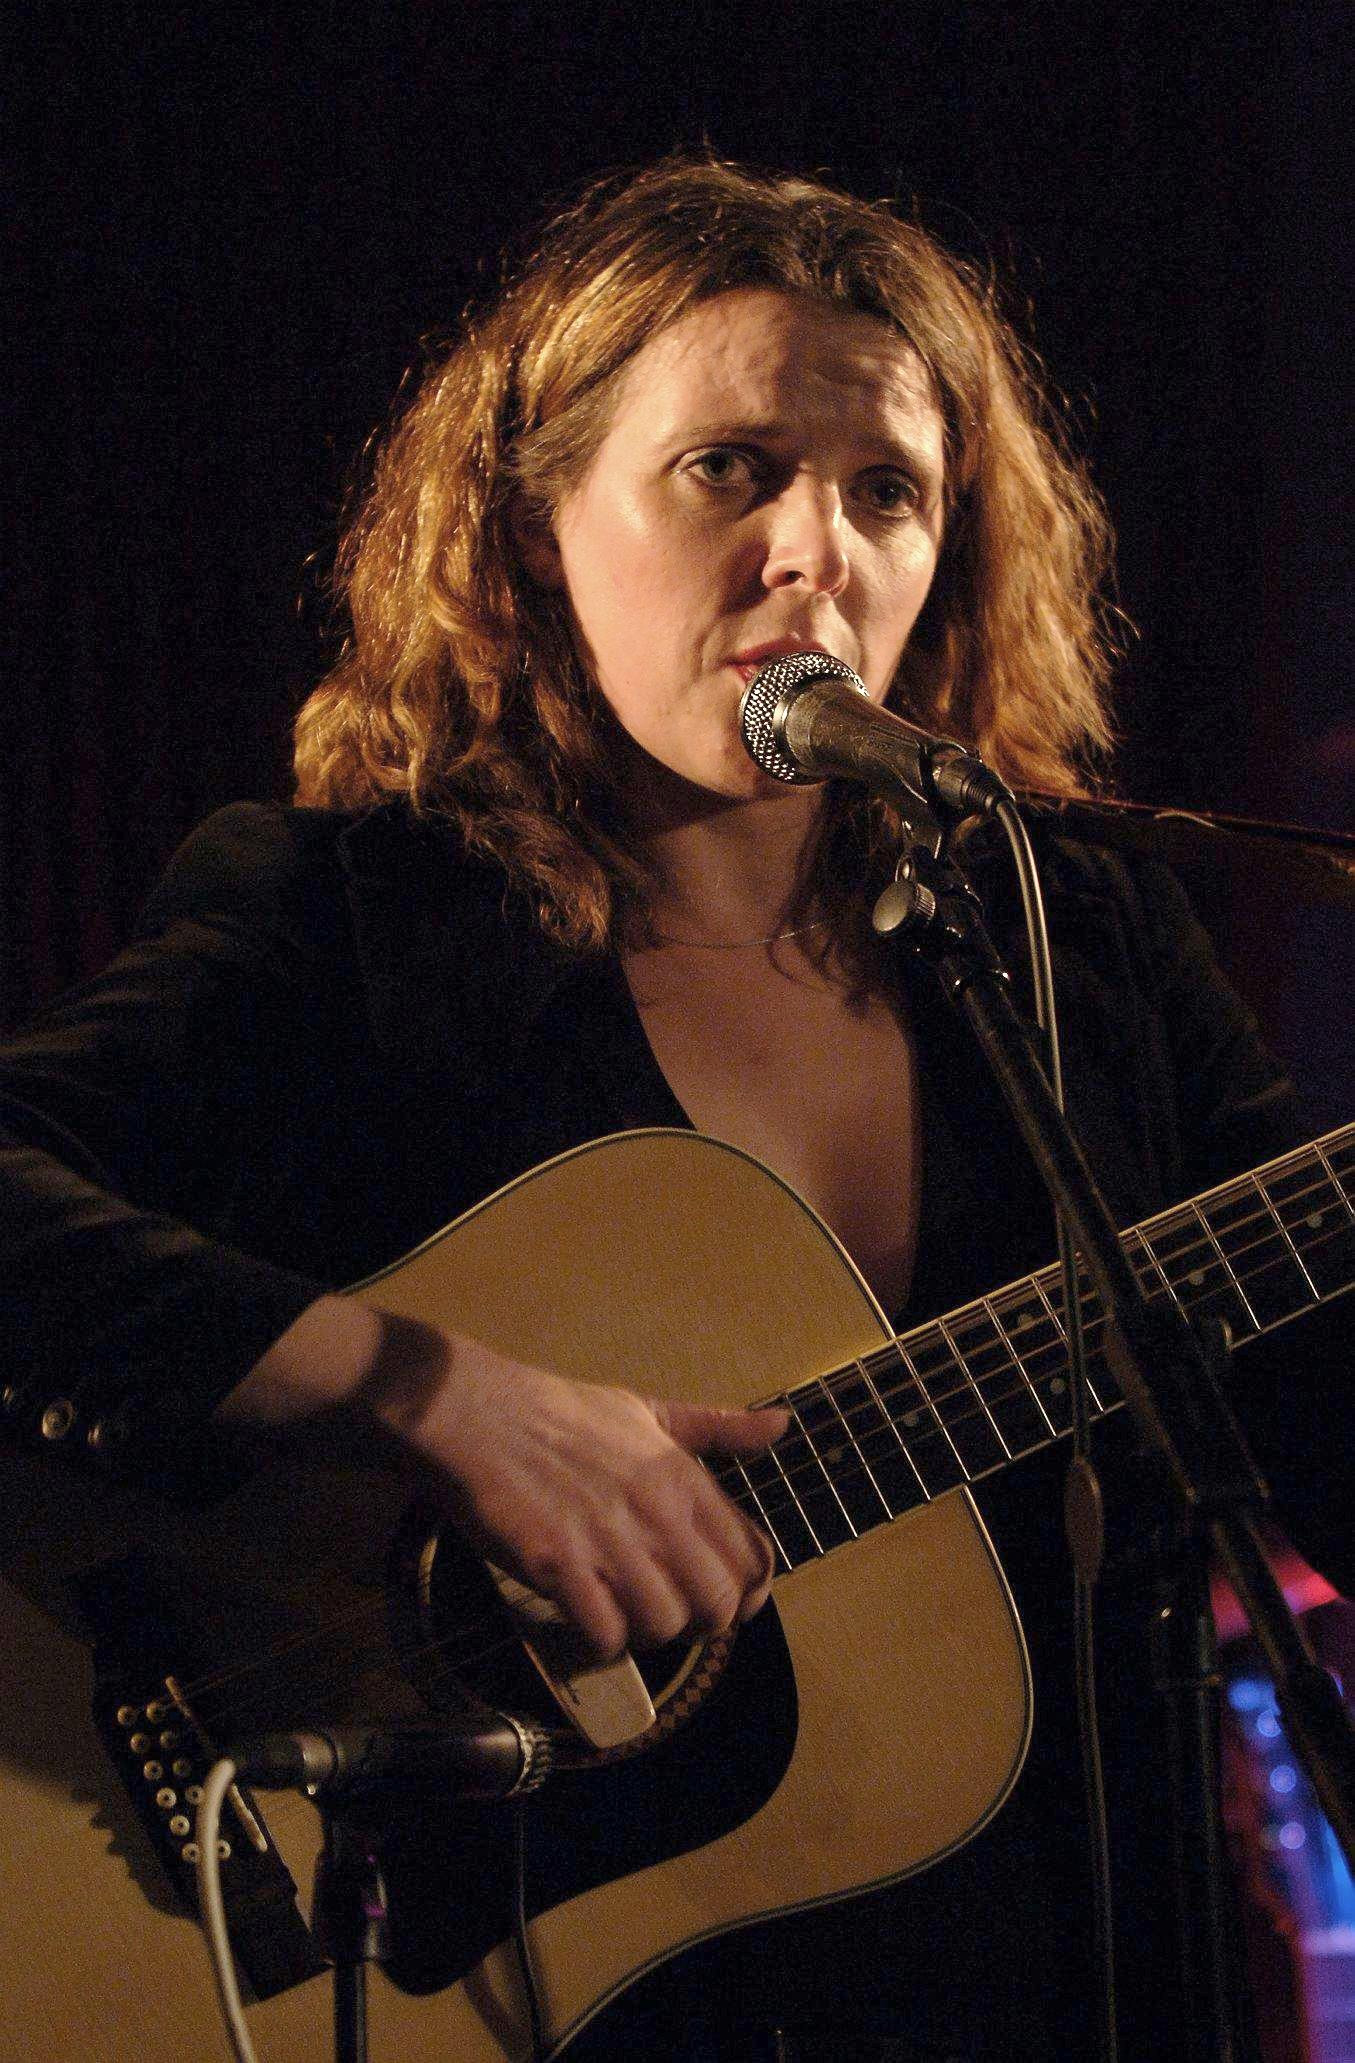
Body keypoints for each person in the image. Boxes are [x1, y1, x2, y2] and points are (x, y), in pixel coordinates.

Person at [0, 155, 1348, 2063]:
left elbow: (1312, 1411)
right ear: (538, 527)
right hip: (492, 1980)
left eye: (888, 490)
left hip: (1064, 1984)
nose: (819, 550)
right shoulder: (344, 928)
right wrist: (429, 1392)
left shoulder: (1080, 944)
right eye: (732, 469)